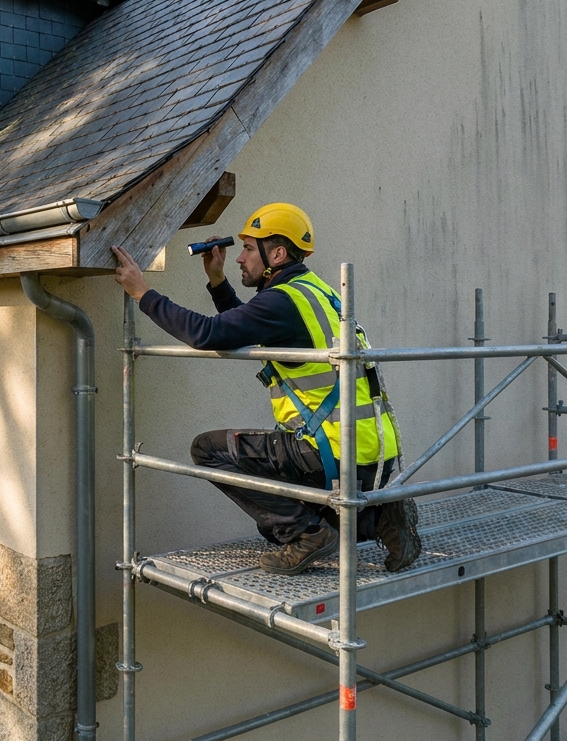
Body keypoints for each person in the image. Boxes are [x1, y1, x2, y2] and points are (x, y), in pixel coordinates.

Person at [111, 202, 421, 576]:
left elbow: (206, 333)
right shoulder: (313, 291)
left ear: (276, 255)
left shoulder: (281, 301)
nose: (240, 258)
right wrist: (217, 280)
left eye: (247, 248)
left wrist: (142, 293)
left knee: (207, 450)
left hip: (331, 451)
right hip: (371, 454)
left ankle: (308, 535)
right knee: (272, 525)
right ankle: (383, 519)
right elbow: (247, 325)